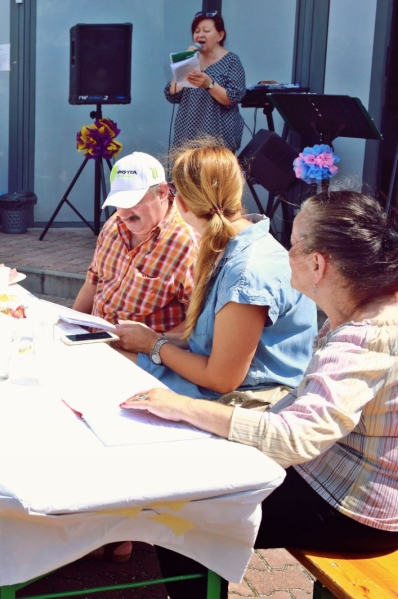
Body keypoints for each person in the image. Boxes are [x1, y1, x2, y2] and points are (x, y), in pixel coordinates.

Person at [120, 190, 398, 598]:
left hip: (355, 509)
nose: (286, 250)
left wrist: (185, 408)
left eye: (295, 241)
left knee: (182, 517)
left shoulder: (364, 337)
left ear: (318, 264)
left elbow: (294, 438)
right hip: (343, 479)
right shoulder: (375, 309)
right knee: (201, 476)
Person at [116, 143, 316, 404]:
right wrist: (152, 341)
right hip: (225, 387)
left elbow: (222, 379)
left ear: (182, 204)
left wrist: (154, 345)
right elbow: (210, 346)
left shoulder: (247, 271)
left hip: (247, 400)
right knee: (109, 354)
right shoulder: (232, 247)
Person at [71, 152, 199, 334]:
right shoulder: (113, 226)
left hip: (142, 357)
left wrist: (154, 345)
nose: (123, 213)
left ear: (162, 192)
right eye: (118, 202)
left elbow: (198, 322)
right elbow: (93, 282)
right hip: (95, 342)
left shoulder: (186, 244)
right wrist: (70, 328)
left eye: (132, 201)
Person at [164, 11, 246, 152]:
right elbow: (172, 95)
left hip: (218, 140)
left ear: (220, 35)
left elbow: (232, 98)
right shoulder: (191, 60)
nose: (200, 35)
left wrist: (209, 84)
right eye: (196, 31)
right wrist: (183, 63)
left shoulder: (232, 60)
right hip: (187, 137)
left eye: (206, 31)